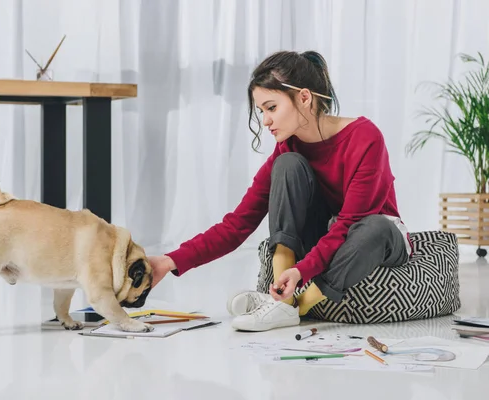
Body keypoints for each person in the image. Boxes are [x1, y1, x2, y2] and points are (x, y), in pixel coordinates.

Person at [147, 50, 412, 332]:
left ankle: (295, 306)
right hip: (327, 240)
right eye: (261, 111)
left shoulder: (365, 137)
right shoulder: (288, 148)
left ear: (305, 98)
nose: (265, 121)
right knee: (287, 165)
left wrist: (302, 271)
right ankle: (280, 301)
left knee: (374, 227)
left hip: (373, 238)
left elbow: (348, 224)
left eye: (271, 108)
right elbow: (238, 223)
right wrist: (169, 261)